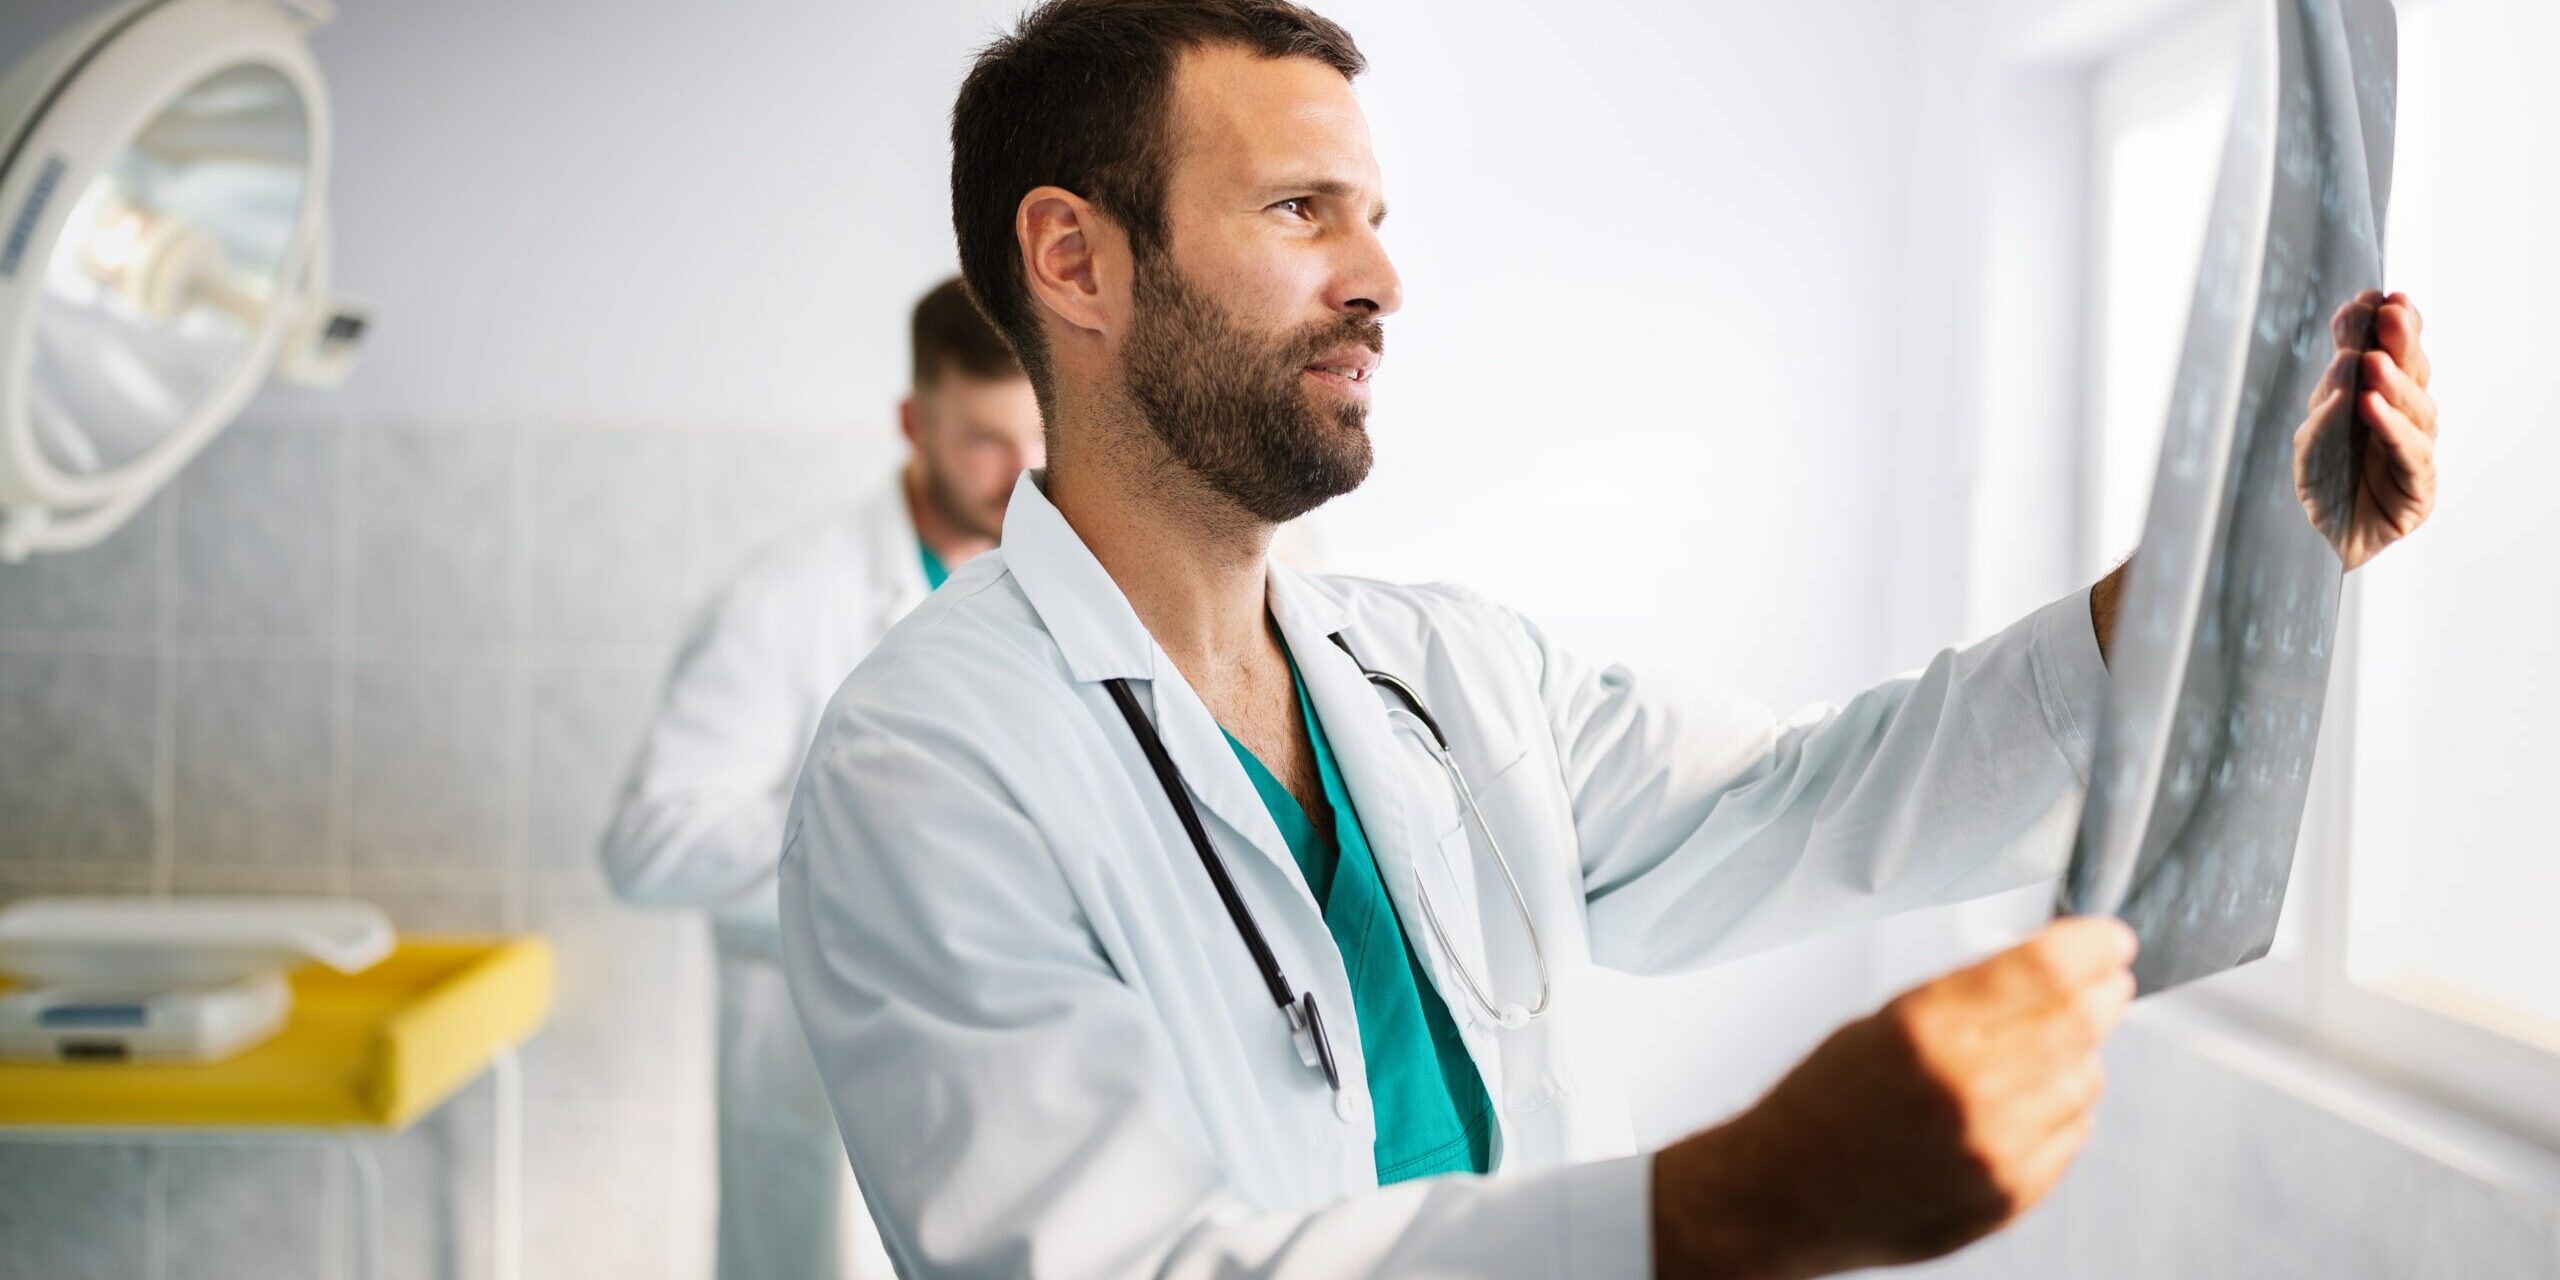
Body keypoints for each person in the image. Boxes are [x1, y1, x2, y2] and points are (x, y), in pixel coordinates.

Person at [775, 3, 2443, 1277]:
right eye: (1301, 210)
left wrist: (2243, 565)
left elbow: (1812, 799)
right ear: (1077, 259)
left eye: (1373, 212)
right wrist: (1737, 1202)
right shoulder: (925, 769)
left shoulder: (1439, 673)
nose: (1382, 279)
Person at [602, 277, 1043, 1280]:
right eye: (983, 439)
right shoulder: (784, 602)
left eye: (1039, 434)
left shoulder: (1064, 589)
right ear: (910, 421)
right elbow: (646, 843)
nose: (1022, 475)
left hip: (1010, 1016)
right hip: (804, 1017)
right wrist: (873, 828)